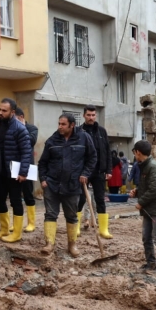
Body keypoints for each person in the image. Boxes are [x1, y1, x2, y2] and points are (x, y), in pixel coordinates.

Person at [38, 114, 97, 257]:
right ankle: (49, 244)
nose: (59, 126)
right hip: (52, 184)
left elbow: (92, 157)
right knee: (50, 214)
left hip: (73, 185)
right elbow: (43, 162)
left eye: (63, 124)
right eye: (59, 123)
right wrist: (43, 179)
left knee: (71, 215)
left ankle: (72, 245)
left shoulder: (83, 138)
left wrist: (86, 173)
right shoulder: (52, 140)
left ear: (72, 125)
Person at [0, 98, 32, 243]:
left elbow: (26, 152)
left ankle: (17, 233)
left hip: (14, 172)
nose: (1, 113)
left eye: (4, 110)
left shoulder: (20, 129)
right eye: (0, 109)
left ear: (12, 112)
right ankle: (4, 229)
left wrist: (23, 172)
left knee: (15, 201)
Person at [128, 140, 156, 273]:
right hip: (149, 208)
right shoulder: (144, 165)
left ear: (137, 152)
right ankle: (150, 262)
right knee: (146, 236)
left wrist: (141, 202)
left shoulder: (153, 166)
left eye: (134, 152)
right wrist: (137, 192)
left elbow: (154, 190)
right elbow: (147, 186)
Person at [78, 105, 113, 239]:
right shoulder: (79, 131)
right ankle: (76, 227)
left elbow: (107, 151)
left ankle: (103, 229)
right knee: (80, 199)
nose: (91, 117)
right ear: (84, 115)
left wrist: (108, 169)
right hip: (83, 172)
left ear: (96, 116)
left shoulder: (101, 131)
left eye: (93, 115)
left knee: (100, 199)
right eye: (88, 115)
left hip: (99, 171)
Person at [15, 107, 38, 233]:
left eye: (17, 120)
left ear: (22, 117)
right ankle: (17, 222)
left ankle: (31, 223)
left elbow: (30, 141)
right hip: (15, 165)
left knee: (28, 194)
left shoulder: (32, 128)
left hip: (28, 166)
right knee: (15, 196)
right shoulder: (11, 129)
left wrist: (22, 128)